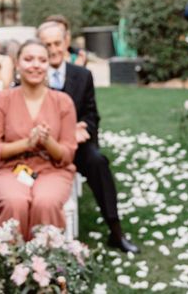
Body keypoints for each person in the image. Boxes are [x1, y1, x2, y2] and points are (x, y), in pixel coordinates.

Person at [37, 21, 139, 253]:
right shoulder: (35, 74)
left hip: (77, 145)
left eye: (56, 43)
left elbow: (92, 114)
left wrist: (84, 127)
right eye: (46, 44)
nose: (53, 49)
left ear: (65, 43)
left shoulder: (82, 75)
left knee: (98, 162)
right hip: (43, 147)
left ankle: (116, 231)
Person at [0, 39, 78, 239]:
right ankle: (11, 262)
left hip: (52, 170)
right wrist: (27, 143)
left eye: (42, 60)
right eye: (28, 59)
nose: (35, 65)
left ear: (47, 65)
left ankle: (44, 265)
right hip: (10, 170)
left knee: (45, 202)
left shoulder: (63, 102)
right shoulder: (3, 100)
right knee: (14, 201)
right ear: (17, 64)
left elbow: (68, 155)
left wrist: (47, 141)